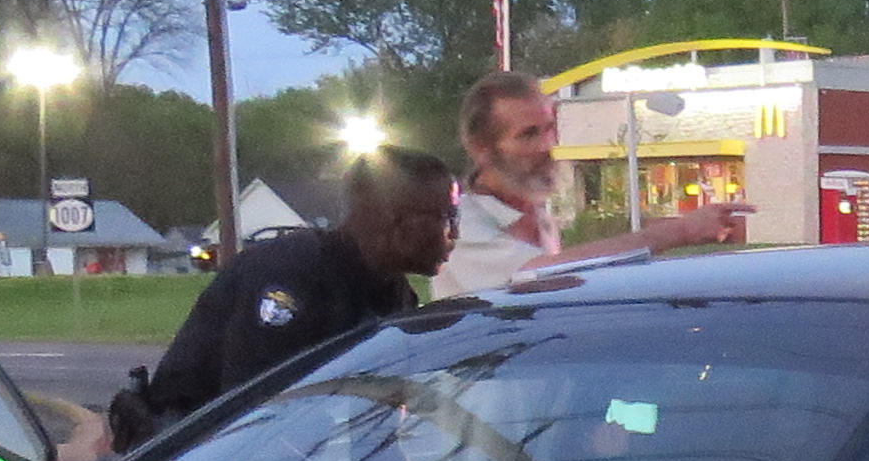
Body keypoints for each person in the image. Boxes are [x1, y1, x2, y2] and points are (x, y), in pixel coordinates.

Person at [140, 150, 459, 423]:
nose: (455, 232)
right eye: (447, 216)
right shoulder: (290, 274)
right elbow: (254, 415)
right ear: (392, 217)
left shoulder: (393, 292)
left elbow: (373, 423)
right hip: (187, 457)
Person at [443, 71, 741, 298]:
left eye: (550, 129)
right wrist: (681, 231)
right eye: (528, 134)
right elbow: (539, 274)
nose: (547, 146)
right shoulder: (460, 222)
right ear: (481, 148)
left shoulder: (534, 213)